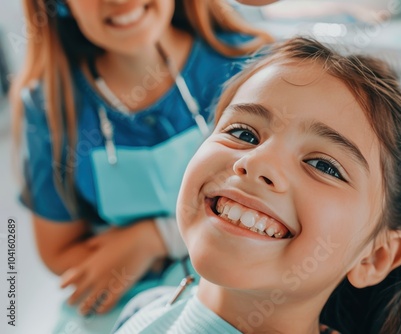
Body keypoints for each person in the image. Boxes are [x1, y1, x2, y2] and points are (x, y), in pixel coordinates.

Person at [114, 37, 401, 334]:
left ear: (374, 257)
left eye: (323, 166)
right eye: (243, 133)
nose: (256, 163)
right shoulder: (147, 312)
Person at [10, 0, 273, 321]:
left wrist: (158, 238)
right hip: (126, 301)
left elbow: (290, 209)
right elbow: (58, 252)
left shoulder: (252, 67)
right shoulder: (50, 110)